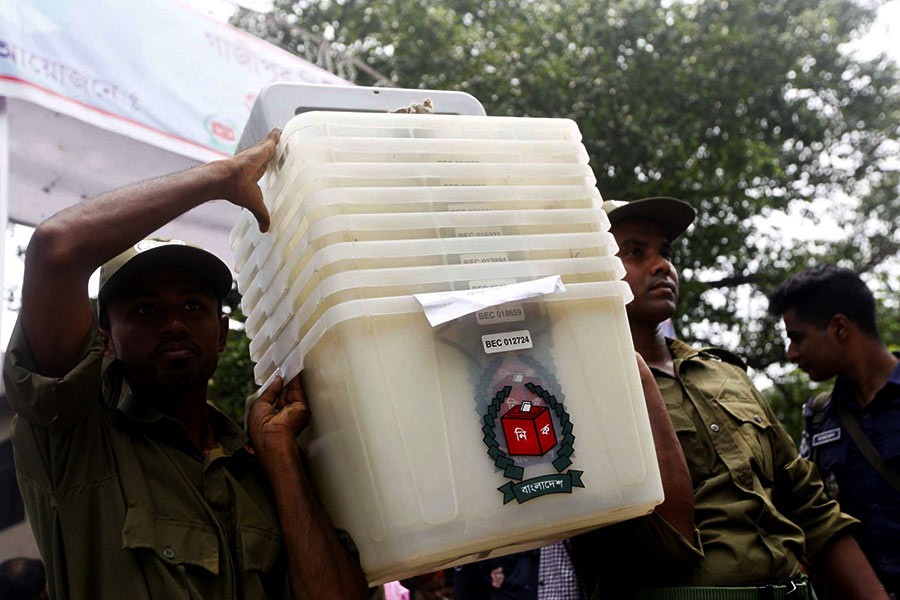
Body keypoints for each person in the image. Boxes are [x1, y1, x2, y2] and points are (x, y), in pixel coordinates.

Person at [3, 129, 369, 599]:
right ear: (105, 341)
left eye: (193, 307)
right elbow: (57, 249)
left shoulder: (262, 462)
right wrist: (221, 178)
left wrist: (280, 458)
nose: (174, 324)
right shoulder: (76, 441)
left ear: (220, 333)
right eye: (145, 311)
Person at [571, 197, 889, 599]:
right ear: (592, 268)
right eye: (635, 252)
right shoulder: (579, 388)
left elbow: (810, 507)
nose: (661, 265)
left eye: (665, 252)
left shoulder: (725, 374)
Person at [768, 265, 900, 597]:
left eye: (798, 337)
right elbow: (810, 517)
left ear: (839, 327)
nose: (791, 354)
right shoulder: (818, 418)